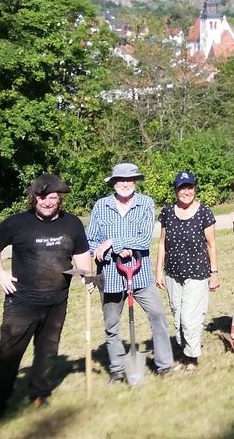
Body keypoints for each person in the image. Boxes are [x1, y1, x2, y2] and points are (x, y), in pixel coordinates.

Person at [0, 174, 92, 421]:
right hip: (21, 302)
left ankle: (39, 394)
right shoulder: (17, 223)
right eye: (42, 197)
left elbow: (82, 253)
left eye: (52, 197)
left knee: (47, 351)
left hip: (57, 301)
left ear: (60, 199)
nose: (47, 202)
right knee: (9, 353)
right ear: (34, 198)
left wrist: (87, 276)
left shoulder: (73, 224)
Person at [87, 162, 174, 381]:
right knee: (111, 324)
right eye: (121, 180)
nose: (125, 184)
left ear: (135, 181)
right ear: (114, 182)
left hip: (140, 273)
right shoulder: (101, 206)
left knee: (158, 316)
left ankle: (164, 365)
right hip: (110, 275)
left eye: (129, 180)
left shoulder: (145, 203)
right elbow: (91, 241)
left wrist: (112, 242)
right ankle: (117, 368)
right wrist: (105, 248)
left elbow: (144, 240)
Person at [156, 170, 219, 370]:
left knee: (189, 318)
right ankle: (186, 350)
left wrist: (214, 274)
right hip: (173, 273)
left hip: (198, 273)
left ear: (195, 188)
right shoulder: (167, 212)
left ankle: (192, 358)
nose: (186, 191)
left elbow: (212, 245)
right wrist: (158, 271)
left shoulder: (204, 212)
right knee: (177, 314)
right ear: (175, 190)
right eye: (182, 188)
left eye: (190, 187)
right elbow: (161, 244)